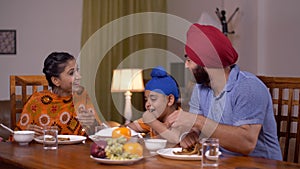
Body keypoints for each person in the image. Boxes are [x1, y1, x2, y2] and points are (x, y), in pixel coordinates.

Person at [170, 23, 282, 160]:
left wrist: (198, 121)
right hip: (221, 163)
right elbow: (197, 128)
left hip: (259, 165)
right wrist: (191, 135)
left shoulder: (249, 87)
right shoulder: (200, 89)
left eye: (189, 60)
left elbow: (246, 144)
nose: (186, 65)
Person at [16, 52, 101, 136]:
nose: (79, 76)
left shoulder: (82, 97)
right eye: (72, 73)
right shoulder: (37, 101)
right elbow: (16, 138)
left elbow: (98, 134)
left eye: (77, 71)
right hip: (45, 148)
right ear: (56, 81)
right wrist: (27, 133)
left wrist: (93, 124)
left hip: (76, 149)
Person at [127, 66, 181, 142]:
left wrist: (152, 122)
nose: (147, 104)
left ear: (170, 100)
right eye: (146, 99)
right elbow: (128, 128)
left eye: (153, 99)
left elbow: (175, 139)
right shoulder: (155, 118)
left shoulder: (182, 119)